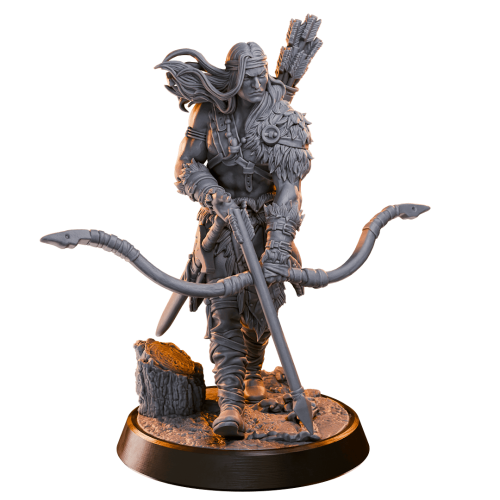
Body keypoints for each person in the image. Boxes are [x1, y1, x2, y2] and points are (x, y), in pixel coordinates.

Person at [156, 41, 313, 438]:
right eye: (249, 77)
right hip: (221, 228)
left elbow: (289, 189)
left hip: (265, 224)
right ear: (234, 77)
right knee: (222, 311)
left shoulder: (283, 117)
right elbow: (185, 164)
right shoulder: (208, 111)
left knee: (263, 310)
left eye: (262, 75)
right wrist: (214, 195)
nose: (258, 84)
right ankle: (230, 401)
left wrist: (278, 246)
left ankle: (254, 370)